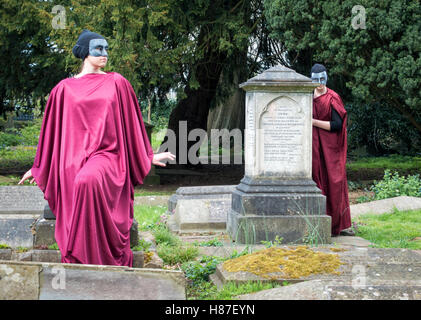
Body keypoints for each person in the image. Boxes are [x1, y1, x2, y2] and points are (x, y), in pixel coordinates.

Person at [18, 29, 176, 266]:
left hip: (107, 156)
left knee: (88, 180)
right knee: (79, 179)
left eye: (106, 49)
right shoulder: (63, 89)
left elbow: (131, 124)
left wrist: (146, 155)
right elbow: (51, 133)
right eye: (98, 49)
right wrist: (39, 167)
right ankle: (85, 265)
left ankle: (98, 259)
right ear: (84, 53)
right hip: (71, 161)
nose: (105, 54)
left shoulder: (117, 83)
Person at [310, 63, 354, 237]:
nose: (320, 84)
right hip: (314, 147)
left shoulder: (332, 97)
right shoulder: (307, 96)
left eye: (322, 79)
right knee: (316, 180)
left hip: (330, 147)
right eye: (316, 80)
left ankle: (336, 225)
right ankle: (318, 222)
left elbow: (337, 125)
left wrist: (313, 122)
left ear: (326, 78)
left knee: (334, 182)